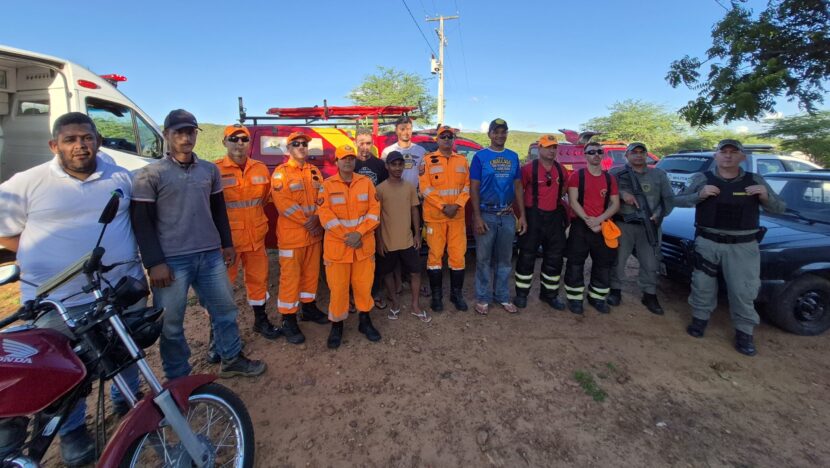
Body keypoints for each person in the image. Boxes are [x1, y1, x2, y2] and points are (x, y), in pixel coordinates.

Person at [0, 112, 143, 467]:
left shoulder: (120, 176)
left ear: (97, 140)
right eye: (70, 139)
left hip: (115, 289)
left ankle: (128, 404)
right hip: (56, 300)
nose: (80, 145)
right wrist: (40, 254)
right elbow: (5, 231)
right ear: (55, 145)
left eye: (87, 137)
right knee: (65, 368)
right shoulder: (27, 183)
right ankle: (73, 435)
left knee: (126, 347)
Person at [131, 109, 265, 379]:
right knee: (171, 322)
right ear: (167, 135)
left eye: (190, 131)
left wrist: (226, 244)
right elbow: (141, 222)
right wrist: (154, 262)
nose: (185, 137)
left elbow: (219, 211)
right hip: (172, 260)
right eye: (178, 132)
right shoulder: (150, 175)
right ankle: (178, 377)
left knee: (225, 309)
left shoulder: (208, 170)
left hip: (210, 255)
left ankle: (231, 358)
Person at [674, 139, 785, 356]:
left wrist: (764, 195)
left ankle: (744, 333)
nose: (727, 156)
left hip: (742, 246)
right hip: (708, 242)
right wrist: (699, 195)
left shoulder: (755, 180)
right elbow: (678, 201)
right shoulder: (702, 178)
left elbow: (780, 208)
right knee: (702, 284)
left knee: (743, 289)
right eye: (723, 152)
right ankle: (699, 321)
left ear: (742, 157)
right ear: (715, 155)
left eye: (733, 152)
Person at [214, 124, 280, 340]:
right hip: (228, 243)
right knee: (221, 288)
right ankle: (215, 335)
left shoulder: (260, 168)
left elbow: (265, 198)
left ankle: (261, 321)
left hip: (256, 238)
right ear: (225, 142)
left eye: (244, 139)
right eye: (234, 139)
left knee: (258, 280)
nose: (239, 144)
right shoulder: (214, 170)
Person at [317, 144, 382, 348]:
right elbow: (325, 216)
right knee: (338, 289)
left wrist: (359, 233)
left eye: (351, 158)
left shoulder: (367, 184)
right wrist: (348, 236)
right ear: (336, 162)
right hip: (338, 248)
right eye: (344, 158)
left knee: (364, 287)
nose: (348, 161)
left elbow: (374, 211)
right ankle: (337, 325)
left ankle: (365, 321)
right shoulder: (326, 186)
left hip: (362, 246)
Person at [270, 131, 329, 344]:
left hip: (313, 236)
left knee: (311, 275)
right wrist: (309, 222)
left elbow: (323, 197)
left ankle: (309, 308)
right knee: (290, 279)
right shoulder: (281, 173)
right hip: (293, 237)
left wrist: (318, 218)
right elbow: (283, 203)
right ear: (289, 149)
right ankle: (288, 319)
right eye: (296, 144)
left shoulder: (314, 172)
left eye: (304, 143)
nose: (301, 147)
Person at [469, 118, 527, 315]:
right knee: (483, 259)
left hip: (507, 215)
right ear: (489, 134)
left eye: (503, 132)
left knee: (505, 260)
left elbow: (518, 187)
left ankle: (502, 295)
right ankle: (483, 298)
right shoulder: (480, 157)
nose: (500, 135)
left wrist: (522, 216)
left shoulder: (513, 157)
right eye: (496, 131)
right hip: (486, 214)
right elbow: (474, 188)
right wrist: (477, 217)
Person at [608, 142, 674, 315]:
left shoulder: (658, 174)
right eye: (634, 152)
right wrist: (623, 195)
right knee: (618, 260)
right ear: (627, 155)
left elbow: (668, 199)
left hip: (649, 226)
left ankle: (649, 294)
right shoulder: (616, 173)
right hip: (623, 224)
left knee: (651, 262)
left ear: (646, 155)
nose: (638, 155)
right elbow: (607, 193)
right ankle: (615, 290)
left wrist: (658, 214)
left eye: (641, 152)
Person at [563, 142, 620, 314]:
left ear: (603, 155)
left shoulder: (610, 179)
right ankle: (575, 299)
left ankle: (597, 297)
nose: (596, 154)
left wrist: (600, 220)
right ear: (585, 155)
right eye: (592, 152)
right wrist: (589, 220)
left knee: (603, 264)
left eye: (599, 152)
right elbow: (573, 201)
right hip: (581, 224)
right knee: (575, 263)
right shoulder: (576, 176)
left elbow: (615, 204)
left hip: (602, 225)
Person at [513, 134, 568, 310]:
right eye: (548, 147)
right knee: (527, 256)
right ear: (540, 148)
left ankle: (549, 295)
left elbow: (563, 190)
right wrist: (522, 216)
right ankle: (521, 295)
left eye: (554, 147)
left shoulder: (561, 170)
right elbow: (519, 191)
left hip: (554, 217)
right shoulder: (528, 169)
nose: (552, 151)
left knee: (554, 258)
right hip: (533, 216)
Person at [419, 125, 470, 312]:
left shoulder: (462, 161)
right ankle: (437, 296)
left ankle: (457, 295)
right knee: (435, 257)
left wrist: (456, 205)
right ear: (437, 140)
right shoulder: (427, 161)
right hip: (435, 218)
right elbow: (425, 188)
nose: (447, 139)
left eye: (450, 137)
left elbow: (467, 186)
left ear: (453, 139)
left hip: (457, 216)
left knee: (458, 256)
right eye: (443, 137)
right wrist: (443, 206)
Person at [376, 151, 429, 322]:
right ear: (387, 166)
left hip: (407, 240)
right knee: (388, 273)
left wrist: (417, 235)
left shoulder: (409, 187)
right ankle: (395, 303)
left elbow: (415, 210)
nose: (397, 168)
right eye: (394, 164)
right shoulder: (380, 189)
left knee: (415, 272)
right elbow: (376, 217)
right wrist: (379, 241)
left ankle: (415, 305)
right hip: (388, 241)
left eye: (400, 164)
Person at [354, 127, 389, 309]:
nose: (365, 147)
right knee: (355, 259)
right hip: (354, 219)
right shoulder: (350, 164)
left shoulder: (380, 165)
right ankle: (354, 296)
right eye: (361, 143)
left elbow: (384, 191)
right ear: (355, 143)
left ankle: (375, 293)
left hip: (374, 217)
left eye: (368, 143)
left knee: (376, 257)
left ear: (372, 144)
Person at [381, 116, 426, 190]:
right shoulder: (387, 152)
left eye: (408, 129)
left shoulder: (421, 151)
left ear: (412, 130)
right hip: (394, 193)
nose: (406, 132)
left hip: (414, 194)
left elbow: (424, 174)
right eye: (402, 129)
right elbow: (383, 175)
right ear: (396, 130)